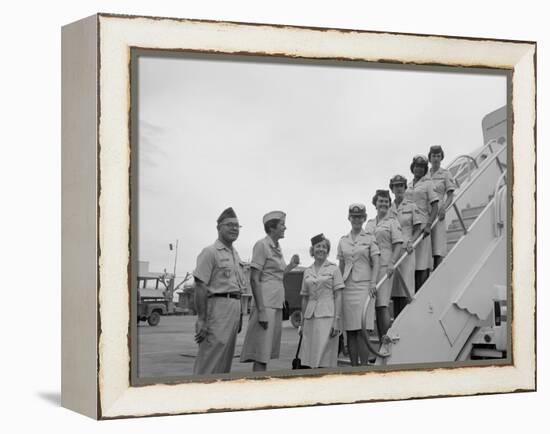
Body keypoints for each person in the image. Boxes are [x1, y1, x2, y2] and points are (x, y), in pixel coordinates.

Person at [240, 211, 300, 371]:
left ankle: (260, 385)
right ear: (272, 227)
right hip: (265, 304)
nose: (285, 227)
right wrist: (261, 311)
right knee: (260, 353)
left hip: (275, 304)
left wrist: (291, 266)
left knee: (265, 353)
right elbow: (254, 278)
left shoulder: (277, 247)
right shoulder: (262, 245)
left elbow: (278, 275)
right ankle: (257, 388)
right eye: (282, 224)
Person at [192, 207, 247, 375]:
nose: (234, 228)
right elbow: (200, 286)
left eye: (237, 226)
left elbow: (236, 288)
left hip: (233, 310)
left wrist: (239, 316)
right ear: (218, 227)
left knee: (224, 362)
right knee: (210, 358)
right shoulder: (210, 252)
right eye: (229, 225)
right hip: (217, 309)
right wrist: (202, 319)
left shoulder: (235, 255)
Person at [337, 204, 380, 366]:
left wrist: (373, 282)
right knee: (351, 331)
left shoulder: (369, 237)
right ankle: (354, 368)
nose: (356, 219)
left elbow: (376, 262)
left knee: (363, 330)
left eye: (360, 217)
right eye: (354, 217)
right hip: (347, 288)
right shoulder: (343, 241)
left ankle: (364, 367)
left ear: (364, 218)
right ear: (349, 218)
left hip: (364, 287)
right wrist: (338, 286)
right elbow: (341, 265)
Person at [299, 234, 345, 368]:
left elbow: (338, 295)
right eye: (318, 246)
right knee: (309, 357)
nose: (321, 249)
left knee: (325, 358)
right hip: (310, 318)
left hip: (327, 316)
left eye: (324, 247)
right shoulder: (307, 271)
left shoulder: (334, 269)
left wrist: (337, 320)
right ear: (312, 250)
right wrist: (302, 323)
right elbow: (304, 297)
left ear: (328, 250)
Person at [365, 190, 403, 339]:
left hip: (384, 266)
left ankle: (386, 342)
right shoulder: (369, 224)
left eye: (386, 201)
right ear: (375, 203)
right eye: (381, 201)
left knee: (382, 305)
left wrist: (392, 263)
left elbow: (398, 244)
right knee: (373, 306)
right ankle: (381, 344)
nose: (384, 204)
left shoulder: (392, 221)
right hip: (369, 267)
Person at [388, 175, 423, 318]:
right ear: (392, 189)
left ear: (404, 187)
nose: (398, 188)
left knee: (406, 285)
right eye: (396, 186)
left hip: (406, 249)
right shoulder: (389, 208)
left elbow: (418, 228)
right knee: (395, 287)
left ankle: (408, 317)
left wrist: (412, 242)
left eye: (401, 185)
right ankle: (397, 318)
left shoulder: (411, 206)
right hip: (392, 251)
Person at [405, 155, 439, 291]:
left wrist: (429, 225)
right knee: (410, 261)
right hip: (409, 227)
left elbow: (435, 205)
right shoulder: (408, 186)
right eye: (416, 166)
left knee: (422, 262)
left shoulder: (428, 183)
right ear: (412, 168)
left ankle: (422, 291)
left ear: (425, 169)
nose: (418, 169)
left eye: (421, 167)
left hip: (422, 226)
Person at [427, 145, 457, 270]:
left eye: (438, 156)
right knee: (426, 246)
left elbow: (450, 195)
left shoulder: (445, 174)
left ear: (441, 158)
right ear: (430, 158)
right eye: (433, 156)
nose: (436, 158)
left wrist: (444, 207)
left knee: (437, 247)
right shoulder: (425, 175)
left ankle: (437, 273)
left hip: (438, 211)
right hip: (425, 212)